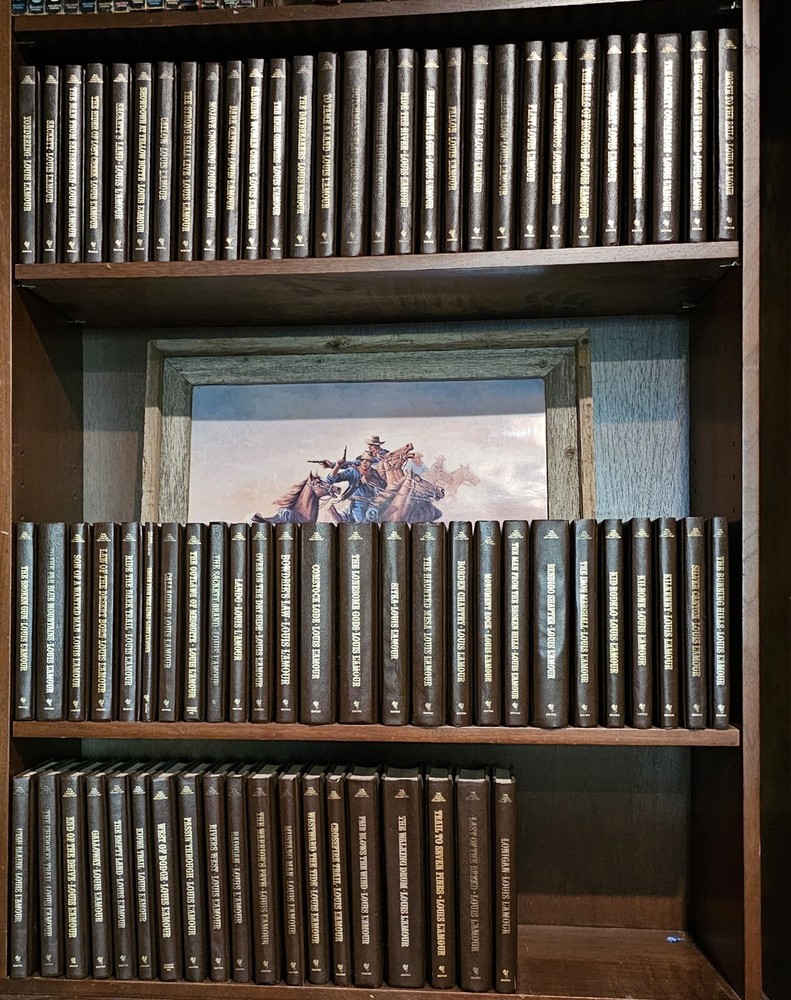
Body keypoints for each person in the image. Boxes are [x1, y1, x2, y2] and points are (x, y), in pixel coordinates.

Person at [325, 454, 387, 522]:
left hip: (372, 503)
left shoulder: (374, 472)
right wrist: (337, 465)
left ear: (371, 463)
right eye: (362, 460)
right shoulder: (353, 471)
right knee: (363, 523)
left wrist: (372, 480)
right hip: (358, 504)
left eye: (367, 461)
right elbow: (331, 479)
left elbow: (383, 486)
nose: (364, 463)